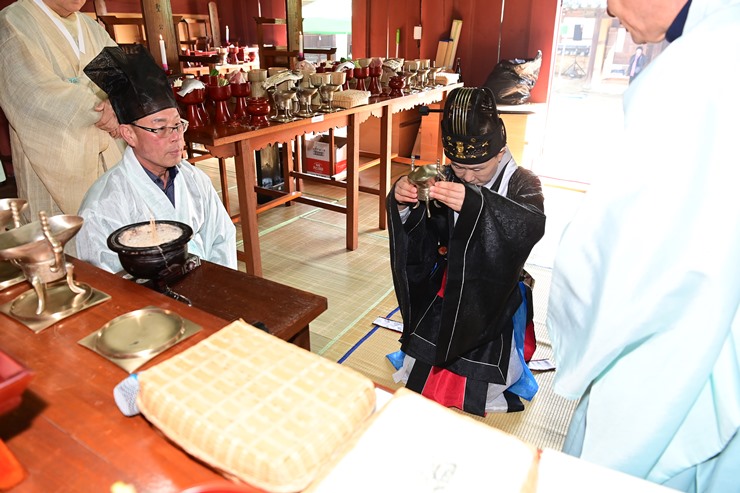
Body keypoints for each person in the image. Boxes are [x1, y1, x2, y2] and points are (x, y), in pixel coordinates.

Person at [547, 0, 740, 491]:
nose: (610, 10)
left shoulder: (704, 66)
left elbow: (627, 255)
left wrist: (575, 313)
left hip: (688, 343)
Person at [386, 87, 546, 416]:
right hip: (451, 284)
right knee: (421, 370)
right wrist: (403, 201)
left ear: (500, 152)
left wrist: (478, 206)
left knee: (480, 385)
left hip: (495, 292)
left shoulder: (523, 182)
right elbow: (427, 232)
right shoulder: (446, 176)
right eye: (459, 167)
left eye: (479, 169)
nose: (468, 176)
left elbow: (530, 225)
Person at [76, 45, 236, 273]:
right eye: (160, 128)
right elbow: (107, 278)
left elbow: (223, 239)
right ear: (128, 134)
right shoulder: (103, 204)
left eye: (178, 125)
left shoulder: (195, 179)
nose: (175, 137)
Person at [0, 0, 124, 220]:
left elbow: (121, 74)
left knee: (118, 223)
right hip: (53, 158)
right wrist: (100, 110)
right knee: (63, 233)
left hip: (110, 149)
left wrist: (118, 105)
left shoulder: (90, 26)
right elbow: (32, 93)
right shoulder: (14, 21)